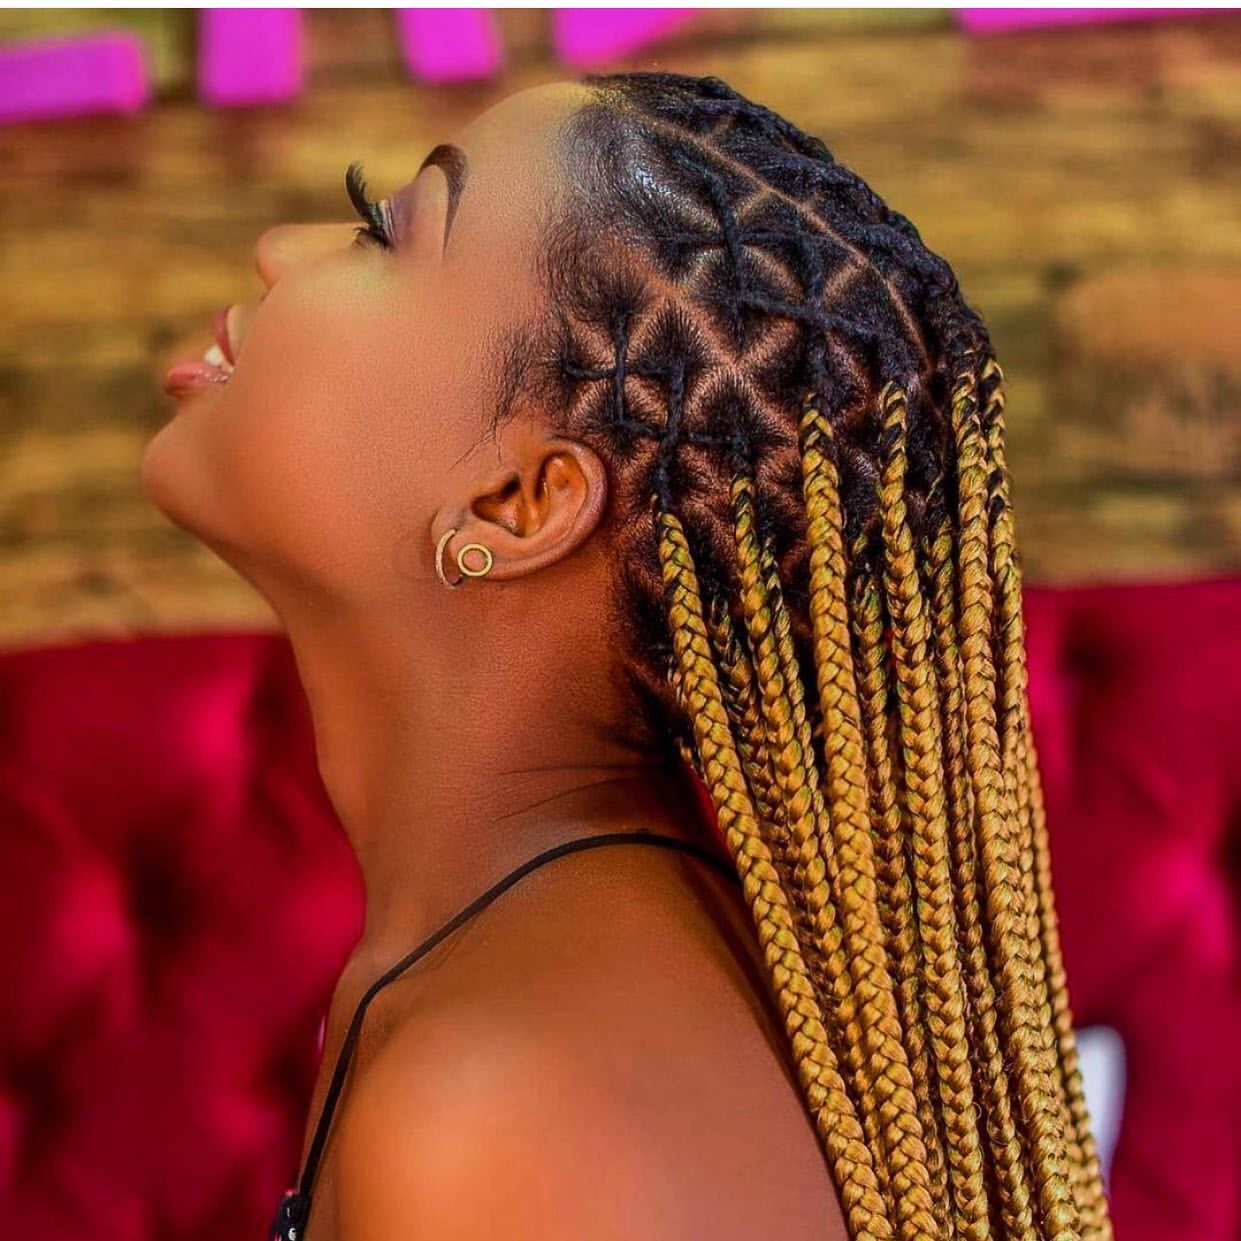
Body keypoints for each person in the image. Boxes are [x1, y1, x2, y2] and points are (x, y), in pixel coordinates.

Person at [142, 72, 1113, 1241]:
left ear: (516, 502)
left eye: (378, 229)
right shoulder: (509, 973)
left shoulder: (496, 1108)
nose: (277, 248)